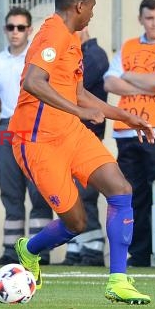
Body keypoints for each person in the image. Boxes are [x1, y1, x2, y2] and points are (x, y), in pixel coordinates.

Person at [8, 0, 153, 304]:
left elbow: (77, 92)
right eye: (92, 8)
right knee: (76, 222)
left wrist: (123, 115)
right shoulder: (52, 33)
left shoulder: (72, 39)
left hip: (70, 132)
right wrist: (77, 110)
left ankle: (117, 279)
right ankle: (29, 249)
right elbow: (33, 81)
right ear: (80, 6)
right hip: (37, 140)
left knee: (121, 188)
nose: (92, 14)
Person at [103, 0, 155, 267]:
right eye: (149, 18)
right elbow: (108, 83)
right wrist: (144, 84)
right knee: (133, 195)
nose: (154, 23)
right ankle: (139, 254)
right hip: (126, 132)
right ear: (140, 19)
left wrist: (127, 76)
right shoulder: (128, 46)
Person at [0, 7, 52, 265]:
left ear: (29, 30)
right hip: (8, 128)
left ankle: (39, 250)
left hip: (35, 130)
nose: (15, 32)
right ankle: (11, 251)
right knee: (10, 191)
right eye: (11, 27)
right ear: (4, 29)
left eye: (21, 27)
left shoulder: (37, 59)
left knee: (39, 191)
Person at [61, 26, 109, 266]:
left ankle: (93, 249)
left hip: (88, 135)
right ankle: (76, 248)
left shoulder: (94, 55)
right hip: (70, 135)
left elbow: (73, 91)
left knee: (86, 195)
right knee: (72, 195)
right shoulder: (76, 54)